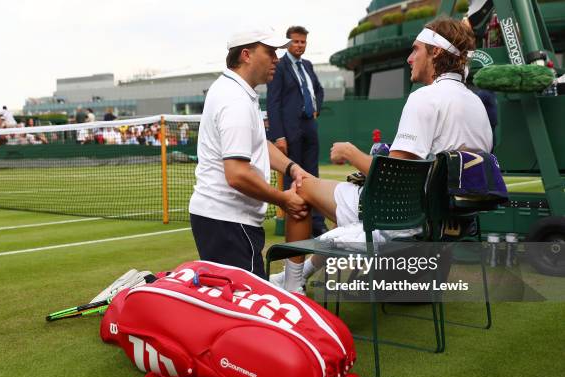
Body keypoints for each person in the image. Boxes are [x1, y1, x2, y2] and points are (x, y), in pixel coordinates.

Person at [271, 16, 494, 292]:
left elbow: (394, 181)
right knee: (340, 204)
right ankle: (303, 273)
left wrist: (350, 152)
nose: (410, 58)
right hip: (445, 223)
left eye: (416, 50)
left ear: (436, 52)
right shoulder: (477, 103)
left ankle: (293, 285)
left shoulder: (425, 97)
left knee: (303, 187)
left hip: (404, 221)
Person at [189, 27, 311, 279]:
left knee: (236, 301)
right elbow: (237, 174)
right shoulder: (235, 100)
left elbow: (257, 143)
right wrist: (283, 199)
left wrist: (291, 167)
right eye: (270, 52)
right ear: (246, 55)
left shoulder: (235, 91)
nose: (277, 59)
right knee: (244, 308)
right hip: (228, 221)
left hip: (223, 218)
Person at [267, 25, 327, 237]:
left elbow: (318, 91)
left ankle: (317, 224)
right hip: (289, 129)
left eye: (303, 41)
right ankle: (297, 221)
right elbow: (273, 102)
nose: (300, 45)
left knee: (313, 175)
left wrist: (315, 108)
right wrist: (278, 135)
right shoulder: (280, 66)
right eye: (296, 41)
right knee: (295, 177)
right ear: (288, 42)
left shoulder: (308, 65)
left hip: (309, 125)